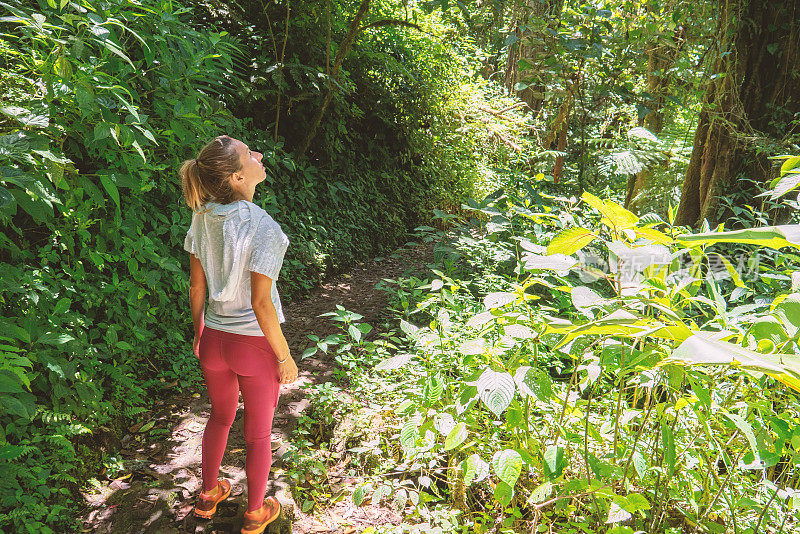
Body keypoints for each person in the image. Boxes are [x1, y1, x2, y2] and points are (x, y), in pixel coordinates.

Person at [179, 135, 298, 534]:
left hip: (214, 339)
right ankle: (254, 514)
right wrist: (284, 357)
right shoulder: (264, 226)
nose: (259, 156)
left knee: (219, 417)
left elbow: (197, 287)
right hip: (253, 345)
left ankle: (209, 494)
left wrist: (200, 333)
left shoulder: (202, 215)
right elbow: (262, 304)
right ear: (235, 176)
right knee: (258, 434)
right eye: (250, 155)